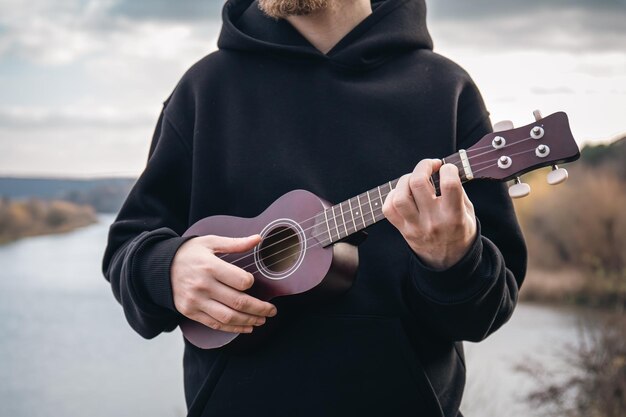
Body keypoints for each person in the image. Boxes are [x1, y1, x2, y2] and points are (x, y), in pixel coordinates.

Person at [102, 0, 527, 415]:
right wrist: (169, 268)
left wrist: (452, 260)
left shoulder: (446, 91)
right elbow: (127, 249)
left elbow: (484, 315)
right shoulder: (205, 87)